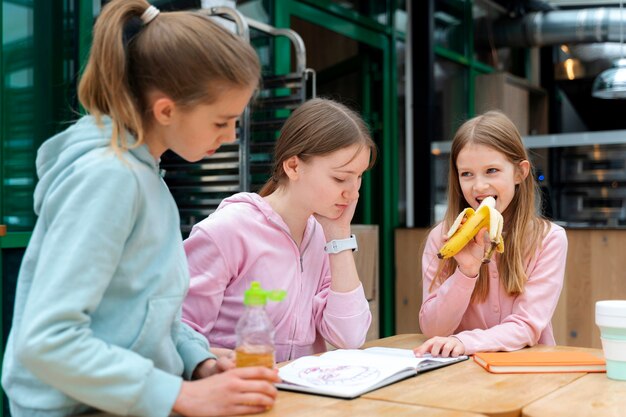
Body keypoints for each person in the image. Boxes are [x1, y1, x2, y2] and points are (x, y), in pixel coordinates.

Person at [0, 1, 280, 416]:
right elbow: (48, 340)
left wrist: (198, 362)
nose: (230, 136)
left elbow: (147, 315)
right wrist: (180, 395)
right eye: (222, 121)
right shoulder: (109, 178)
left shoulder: (146, 176)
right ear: (166, 110)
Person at [182, 98, 375, 362]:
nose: (353, 193)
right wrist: (223, 361)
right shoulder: (227, 231)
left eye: (359, 177)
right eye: (340, 178)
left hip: (303, 396)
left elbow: (349, 337)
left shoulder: (321, 235)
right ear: (293, 166)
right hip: (237, 391)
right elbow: (177, 335)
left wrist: (339, 236)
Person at [414, 111, 567, 358]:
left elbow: (527, 326)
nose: (479, 186)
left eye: (492, 170)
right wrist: (466, 272)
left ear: (520, 172)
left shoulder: (549, 239)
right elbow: (433, 329)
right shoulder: (441, 239)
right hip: (460, 374)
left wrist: (466, 342)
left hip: (529, 373)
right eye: (467, 174)